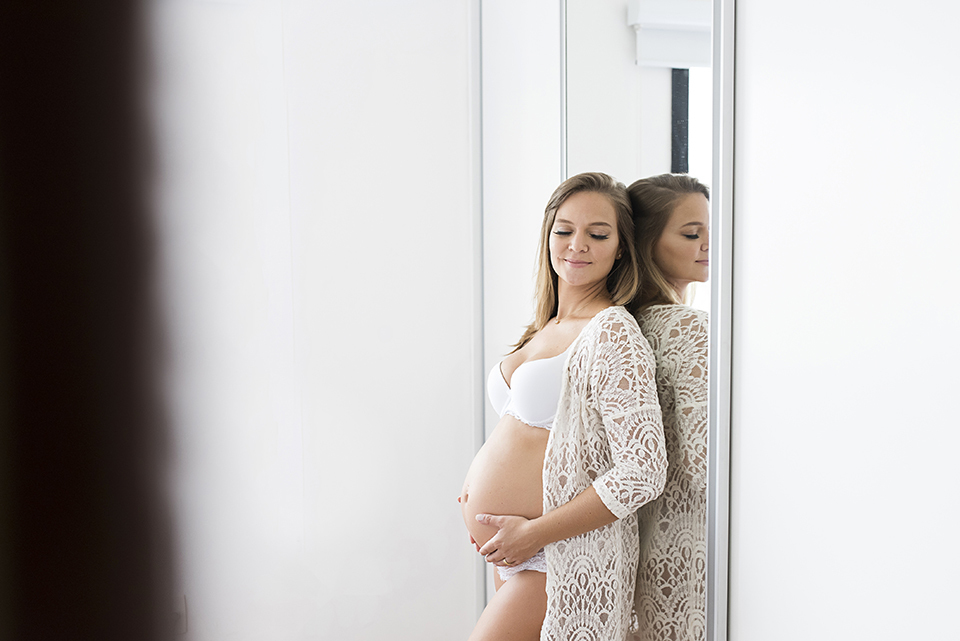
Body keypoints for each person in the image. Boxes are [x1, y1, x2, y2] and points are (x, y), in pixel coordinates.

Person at [460, 172, 667, 641]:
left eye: (598, 234)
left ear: (621, 249)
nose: (578, 245)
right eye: (564, 230)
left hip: (559, 553)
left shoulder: (611, 331)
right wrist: (477, 492)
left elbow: (644, 469)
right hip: (515, 548)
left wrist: (533, 534)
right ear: (547, 236)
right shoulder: (544, 326)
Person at [627, 174, 710, 641]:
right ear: (646, 241)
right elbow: (706, 461)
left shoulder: (617, 324)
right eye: (691, 232)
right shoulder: (691, 329)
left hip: (634, 544)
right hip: (689, 549)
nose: (706, 244)